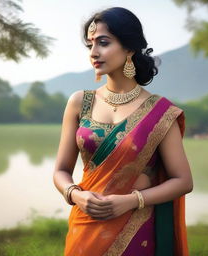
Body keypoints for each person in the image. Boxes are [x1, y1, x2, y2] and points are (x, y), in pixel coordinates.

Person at [53, 6, 193, 256]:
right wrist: (75, 195)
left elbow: (183, 181)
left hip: (136, 227)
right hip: (85, 226)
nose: (94, 53)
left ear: (129, 48)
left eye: (103, 43)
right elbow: (61, 171)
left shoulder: (160, 112)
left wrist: (131, 200)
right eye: (90, 45)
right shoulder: (79, 102)